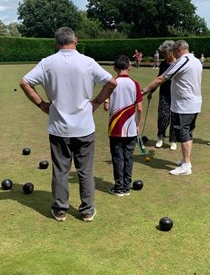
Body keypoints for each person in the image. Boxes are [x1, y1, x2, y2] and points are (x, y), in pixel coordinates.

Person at [20, 27, 117, 222]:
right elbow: (112, 82)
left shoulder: (47, 63)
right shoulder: (87, 62)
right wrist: (97, 101)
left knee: (60, 170)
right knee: (85, 171)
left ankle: (60, 209)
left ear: (56, 43)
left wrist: (41, 104)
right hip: (84, 127)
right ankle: (87, 209)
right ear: (76, 40)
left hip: (59, 127)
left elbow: (25, 83)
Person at [142, 40, 202, 176]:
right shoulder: (196, 61)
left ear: (179, 50)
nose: (173, 54)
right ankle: (187, 161)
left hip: (184, 104)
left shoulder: (183, 61)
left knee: (184, 134)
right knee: (188, 133)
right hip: (193, 103)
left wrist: (144, 91)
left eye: (174, 51)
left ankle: (186, 166)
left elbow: (161, 79)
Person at [104, 55, 142, 196]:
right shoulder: (135, 84)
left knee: (117, 157)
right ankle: (126, 186)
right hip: (131, 127)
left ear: (114, 68)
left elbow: (106, 107)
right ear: (130, 67)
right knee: (128, 157)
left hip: (115, 127)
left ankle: (118, 186)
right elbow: (139, 108)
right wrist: (137, 124)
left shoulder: (111, 84)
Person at [147, 40, 178, 151]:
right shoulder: (164, 64)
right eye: (163, 53)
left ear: (171, 52)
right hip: (164, 93)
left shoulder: (179, 62)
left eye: (165, 53)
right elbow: (159, 77)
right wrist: (151, 91)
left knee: (175, 117)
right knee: (163, 116)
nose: (163, 56)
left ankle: (173, 140)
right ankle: (161, 137)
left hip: (176, 94)